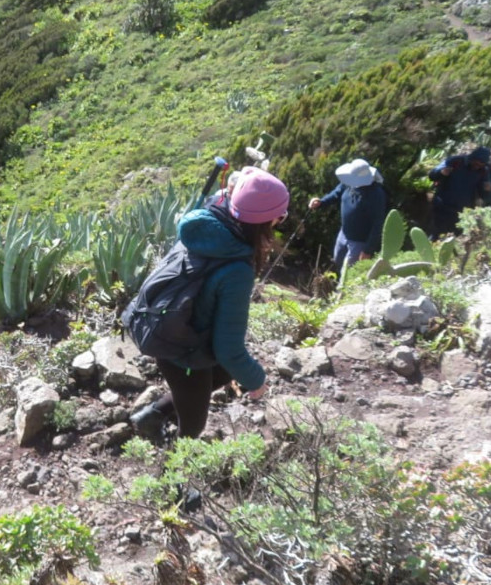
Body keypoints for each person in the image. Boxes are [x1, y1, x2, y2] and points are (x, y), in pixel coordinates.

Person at [129, 166, 289, 440]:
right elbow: (228, 349)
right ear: (264, 221)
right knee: (193, 427)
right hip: (184, 352)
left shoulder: (207, 223)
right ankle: (173, 478)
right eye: (279, 216)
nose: (280, 220)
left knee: (221, 374)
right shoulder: (236, 269)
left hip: (165, 324)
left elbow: (227, 358)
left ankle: (150, 416)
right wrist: (256, 381)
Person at [307, 158, 387, 269]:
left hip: (359, 242)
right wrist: (321, 202)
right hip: (344, 233)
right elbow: (336, 193)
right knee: (337, 259)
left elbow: (378, 223)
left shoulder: (376, 194)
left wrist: (368, 250)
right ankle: (335, 281)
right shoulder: (350, 181)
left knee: (348, 270)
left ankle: (341, 286)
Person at [429, 146, 490, 238]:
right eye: (478, 161)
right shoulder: (455, 162)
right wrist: (441, 173)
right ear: (473, 157)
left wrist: (486, 189)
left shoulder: (483, 171)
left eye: (482, 163)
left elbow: (481, 193)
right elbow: (432, 175)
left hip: (462, 213)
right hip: (442, 206)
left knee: (453, 240)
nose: (479, 165)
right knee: (436, 235)